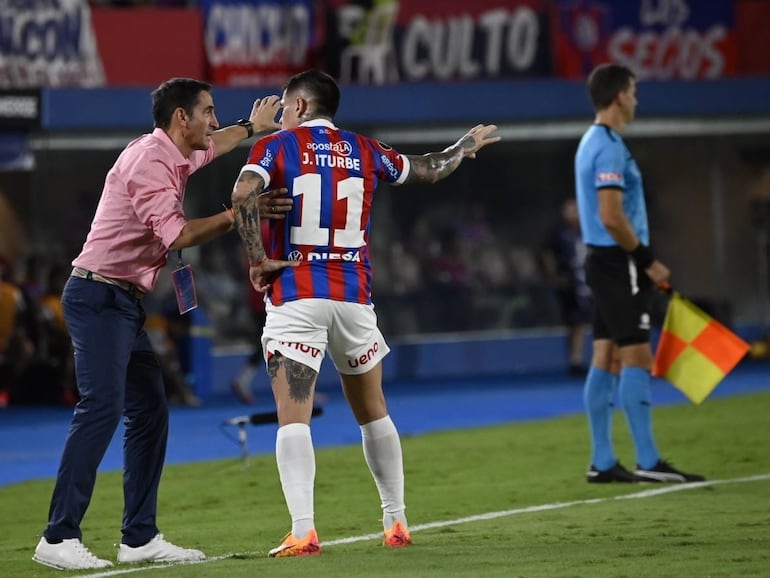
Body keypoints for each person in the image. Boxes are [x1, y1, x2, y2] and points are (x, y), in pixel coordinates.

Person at [229, 69, 500, 557]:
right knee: (374, 412)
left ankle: (304, 529)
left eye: (287, 107)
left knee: (294, 417)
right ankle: (396, 521)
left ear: (303, 107)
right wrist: (464, 146)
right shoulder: (365, 149)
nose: (282, 115)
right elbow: (430, 169)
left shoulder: (276, 147)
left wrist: (257, 260)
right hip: (354, 299)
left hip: (296, 294)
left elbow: (242, 195)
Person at [32, 77, 295, 571]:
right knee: (102, 407)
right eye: (209, 111)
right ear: (182, 118)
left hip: (122, 302)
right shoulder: (151, 162)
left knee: (150, 410)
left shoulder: (174, 150)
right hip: (97, 296)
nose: (213, 121)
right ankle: (58, 535)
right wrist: (243, 210)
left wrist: (250, 128)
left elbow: (214, 146)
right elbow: (180, 235)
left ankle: (139, 538)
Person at [575, 63, 704, 484]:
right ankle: (648, 461)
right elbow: (611, 216)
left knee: (607, 353)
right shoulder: (609, 147)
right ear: (618, 98)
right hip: (619, 262)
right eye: (633, 91)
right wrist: (646, 259)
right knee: (635, 354)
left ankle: (602, 460)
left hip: (602, 261)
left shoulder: (590, 141)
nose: (636, 98)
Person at [541, 198, 591, 377]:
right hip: (567, 283)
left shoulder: (585, 230)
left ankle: (577, 360)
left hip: (584, 282)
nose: (572, 213)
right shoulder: (558, 233)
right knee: (573, 321)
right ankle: (574, 360)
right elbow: (547, 254)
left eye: (575, 209)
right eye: (569, 210)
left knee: (581, 322)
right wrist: (553, 276)